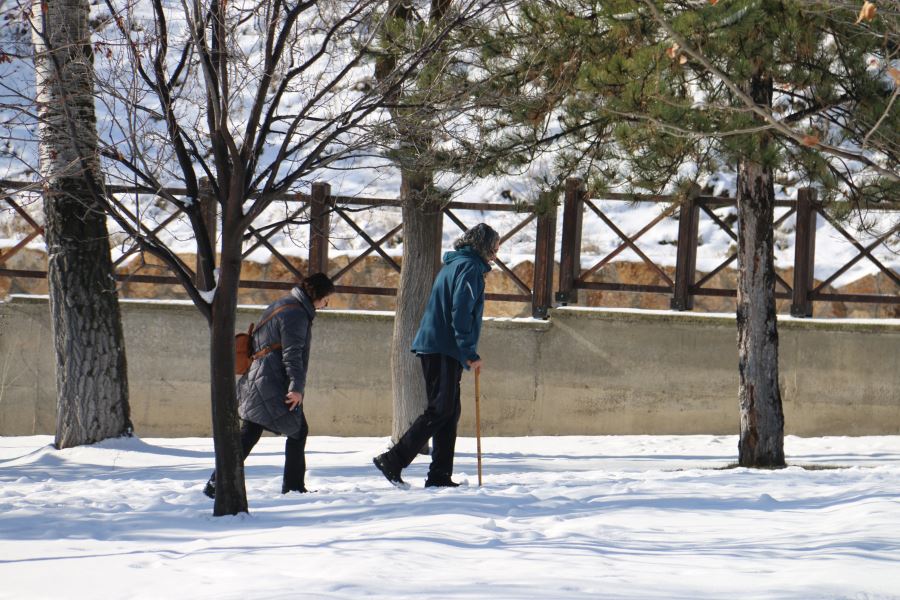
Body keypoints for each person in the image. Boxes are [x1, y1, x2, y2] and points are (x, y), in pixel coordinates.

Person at [373, 223, 500, 488]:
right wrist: (469, 351)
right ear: (484, 245)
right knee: (440, 409)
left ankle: (440, 475)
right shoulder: (470, 268)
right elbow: (461, 311)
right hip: (443, 346)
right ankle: (393, 459)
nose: (496, 253)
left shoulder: (456, 264)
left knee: (449, 412)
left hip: (440, 346)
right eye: (494, 247)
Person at [204, 272, 335, 498]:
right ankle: (292, 488)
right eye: (326, 299)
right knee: (296, 431)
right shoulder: (296, 314)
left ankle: (217, 483)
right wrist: (296, 387)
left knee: (252, 431)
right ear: (317, 295)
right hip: (271, 381)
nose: (326, 304)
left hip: (262, 377)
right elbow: (292, 354)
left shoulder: (285, 304)